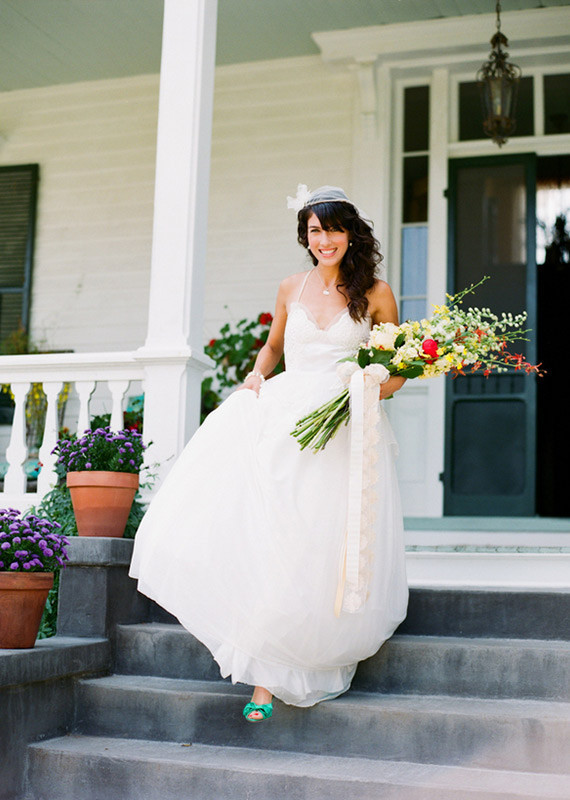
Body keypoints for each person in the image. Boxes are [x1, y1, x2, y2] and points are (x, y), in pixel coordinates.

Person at [129, 185, 409, 723]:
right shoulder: (290, 287)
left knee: (317, 543)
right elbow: (275, 347)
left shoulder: (375, 293)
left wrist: (372, 385)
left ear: (351, 233)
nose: (323, 239)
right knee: (274, 538)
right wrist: (257, 375)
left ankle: (304, 658)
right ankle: (264, 676)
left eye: (331, 229)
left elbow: (396, 369)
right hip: (283, 418)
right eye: (313, 231)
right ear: (305, 238)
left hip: (342, 427)